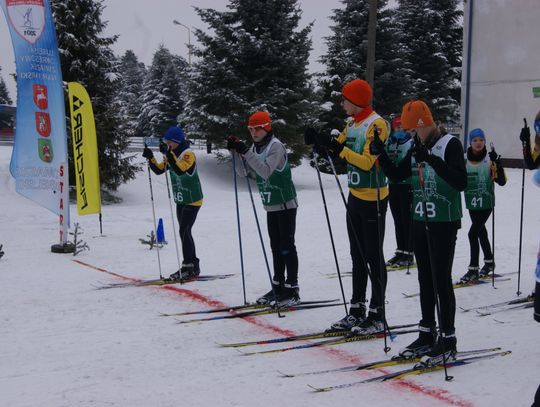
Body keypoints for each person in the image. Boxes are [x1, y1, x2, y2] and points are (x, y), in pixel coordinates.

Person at [370, 100, 467, 365]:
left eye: (414, 128)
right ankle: (426, 333)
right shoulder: (416, 146)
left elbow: (460, 182)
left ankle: (448, 340)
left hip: (444, 222)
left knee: (441, 281)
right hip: (420, 220)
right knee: (425, 279)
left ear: (423, 124)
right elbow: (399, 175)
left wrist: (433, 161)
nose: (412, 133)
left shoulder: (450, 144)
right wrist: (380, 154)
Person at [316, 79, 390, 334]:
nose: (341, 103)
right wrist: (322, 143)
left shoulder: (377, 124)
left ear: (356, 100)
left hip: (375, 197)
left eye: (344, 99)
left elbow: (368, 162)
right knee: (356, 255)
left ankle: (377, 312)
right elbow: (339, 148)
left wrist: (340, 150)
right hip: (355, 196)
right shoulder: (351, 123)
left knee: (372, 256)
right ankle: (356, 309)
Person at [227, 111, 300, 307]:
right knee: (275, 247)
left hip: (285, 203)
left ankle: (292, 290)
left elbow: (265, 172)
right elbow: (244, 173)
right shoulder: (255, 147)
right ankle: (277, 286)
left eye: (257, 128)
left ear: (267, 127)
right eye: (250, 129)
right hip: (270, 205)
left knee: (286, 246)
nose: (253, 132)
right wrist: (235, 153)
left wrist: (246, 152)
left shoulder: (276, 146)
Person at [142, 126, 203, 280]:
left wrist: (168, 154)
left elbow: (180, 169)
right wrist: (150, 158)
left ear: (176, 142)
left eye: (169, 142)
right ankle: (193, 265)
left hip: (193, 199)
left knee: (184, 231)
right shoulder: (172, 154)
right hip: (181, 199)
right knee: (184, 232)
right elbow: (159, 170)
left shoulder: (187, 154)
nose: (167, 144)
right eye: (166, 141)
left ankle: (188, 266)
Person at [460, 128, 506, 282]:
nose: (478, 143)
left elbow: (502, 182)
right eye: (475, 140)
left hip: (486, 203)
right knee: (480, 232)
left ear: (485, 142)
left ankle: (473, 269)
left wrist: (498, 164)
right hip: (471, 203)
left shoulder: (490, 158)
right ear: (470, 142)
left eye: (481, 140)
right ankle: (489, 261)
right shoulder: (464, 158)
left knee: (472, 233)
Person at [385, 115, 415, 269]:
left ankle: (409, 252)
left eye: (402, 128)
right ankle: (400, 250)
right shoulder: (390, 143)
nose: (400, 131)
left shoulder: (411, 143)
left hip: (407, 185)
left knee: (406, 219)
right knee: (397, 219)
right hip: (393, 185)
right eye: (397, 128)